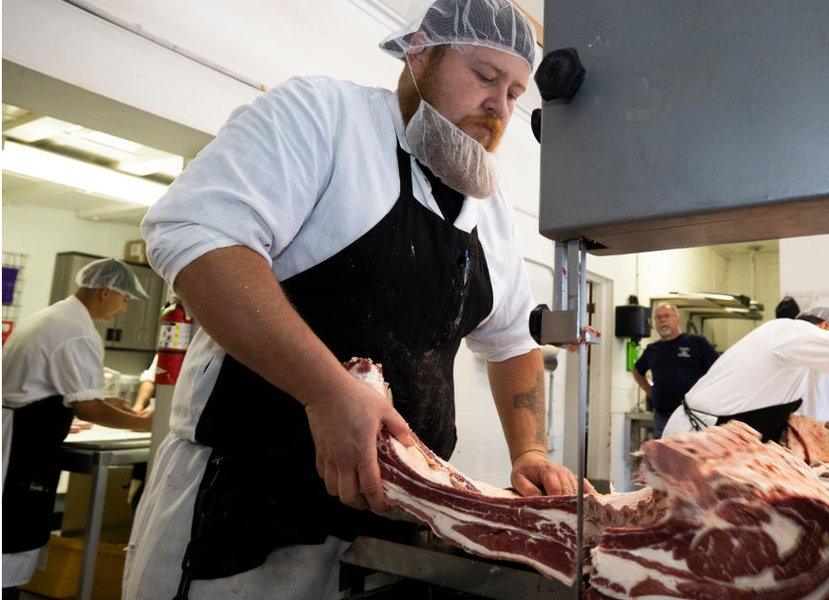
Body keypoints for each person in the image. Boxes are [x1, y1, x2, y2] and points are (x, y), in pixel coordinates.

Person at [122, 3, 587, 599]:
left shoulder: (489, 207)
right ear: (421, 55)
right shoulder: (323, 116)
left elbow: (511, 341)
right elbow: (199, 237)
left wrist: (530, 450)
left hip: (389, 523)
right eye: (485, 76)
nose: (500, 106)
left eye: (516, 92)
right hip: (247, 507)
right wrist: (326, 391)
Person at [2, 258, 154, 598]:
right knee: (12, 534)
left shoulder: (54, 316)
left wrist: (106, 404)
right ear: (105, 292)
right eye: (124, 298)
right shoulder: (77, 331)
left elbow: (68, 394)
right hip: (21, 448)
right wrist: (140, 422)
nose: (124, 307)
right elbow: (87, 406)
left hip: (16, 433)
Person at [662, 306, 829, 442]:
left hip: (724, 442)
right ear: (824, 327)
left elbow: (769, 415)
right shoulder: (786, 330)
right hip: (696, 438)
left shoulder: (792, 361)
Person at [631, 303, 718, 438]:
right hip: (663, 418)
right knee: (663, 457)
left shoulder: (697, 343)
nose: (662, 320)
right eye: (658, 317)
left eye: (666, 316)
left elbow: (717, 368)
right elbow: (637, 371)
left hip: (692, 416)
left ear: (677, 318)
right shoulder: (652, 349)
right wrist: (650, 391)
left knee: (692, 456)